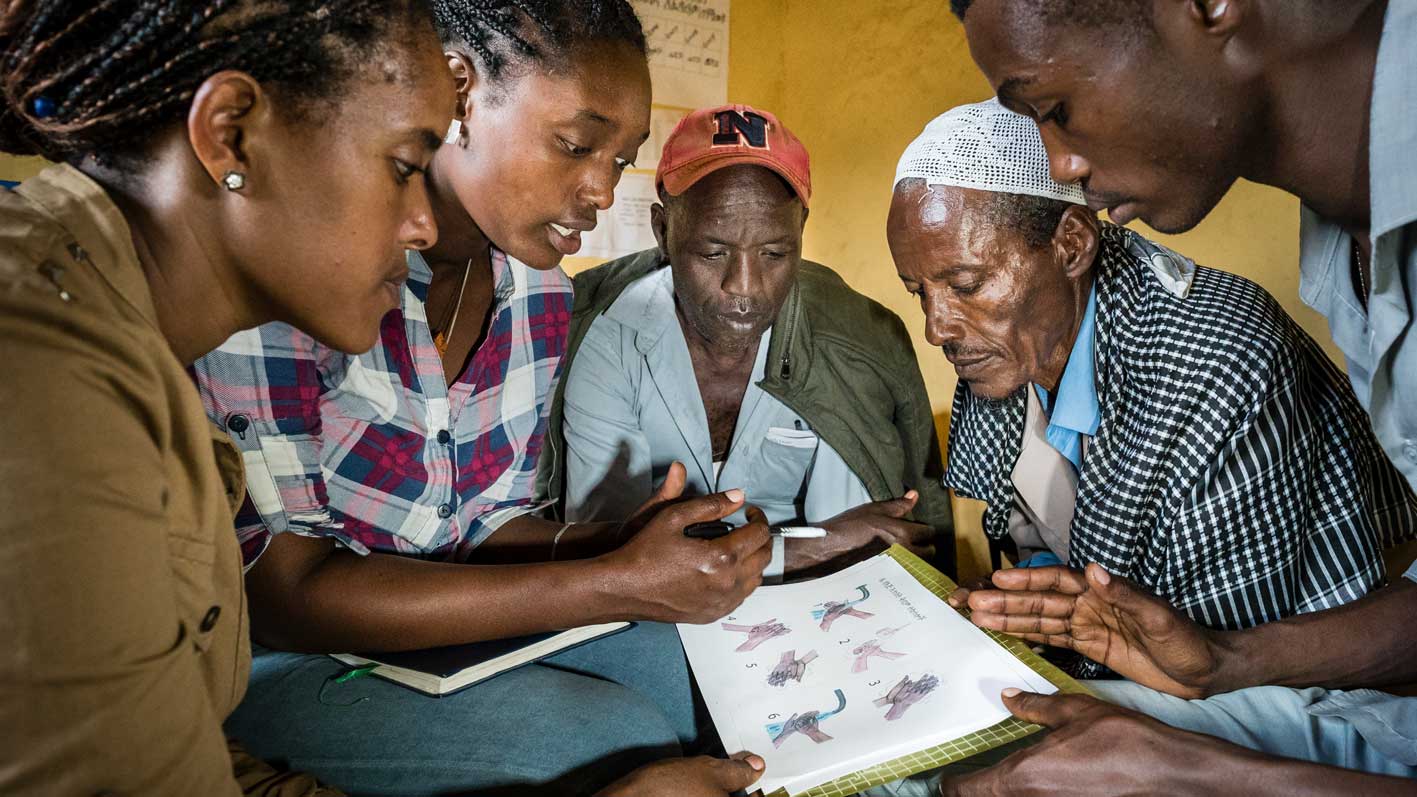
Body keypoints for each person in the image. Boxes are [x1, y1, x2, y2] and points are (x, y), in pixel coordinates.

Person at [190, 3, 772, 795]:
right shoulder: (305, 268)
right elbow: (283, 594)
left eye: (621, 158)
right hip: (285, 655)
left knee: (667, 657)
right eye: (575, 145)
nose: (601, 188)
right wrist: (608, 579)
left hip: (432, 633)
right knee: (609, 737)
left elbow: (481, 523)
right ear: (460, 92)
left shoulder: (537, 295)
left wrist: (615, 547)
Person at [937, 0, 1417, 791]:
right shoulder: (1344, 236)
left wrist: (1196, 771)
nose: (1055, 167)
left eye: (1054, 110)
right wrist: (1223, 662)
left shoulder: (1216, 345)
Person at [0, 1, 451, 793]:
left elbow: (190, 754)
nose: (422, 225)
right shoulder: (47, 377)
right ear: (231, 133)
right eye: (405, 165)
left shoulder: (127, 328)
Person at [886, 100, 1415, 683]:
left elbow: (1221, 657)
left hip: (1296, 679)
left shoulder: (1219, 363)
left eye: (965, 284)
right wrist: (1026, 600)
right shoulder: (1006, 353)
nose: (937, 329)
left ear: (1071, 246)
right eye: (919, 292)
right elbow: (1037, 535)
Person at [545, 104, 947, 580]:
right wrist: (807, 547)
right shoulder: (609, 336)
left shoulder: (852, 344)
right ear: (663, 232)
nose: (745, 286)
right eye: (713, 252)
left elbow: (860, 552)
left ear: (800, 231)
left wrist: (826, 547)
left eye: (775, 253)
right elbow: (615, 555)